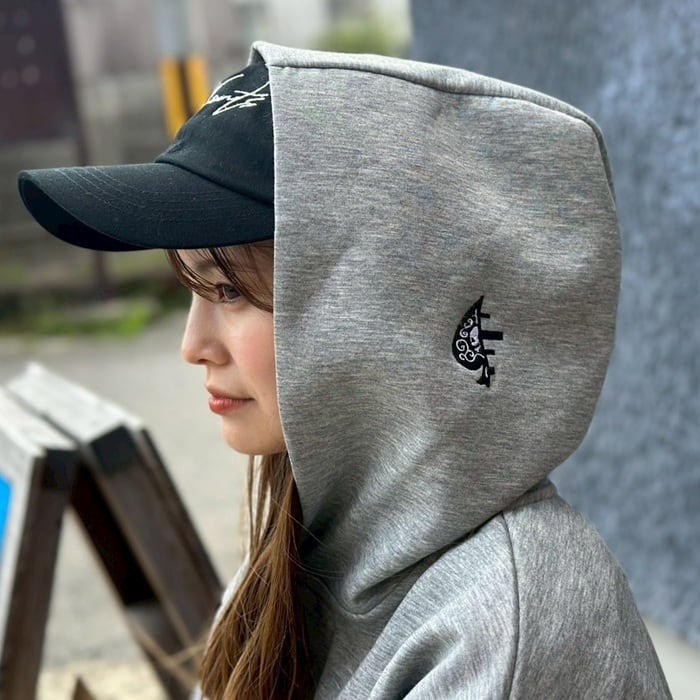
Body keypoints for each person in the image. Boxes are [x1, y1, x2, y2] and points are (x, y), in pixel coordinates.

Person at [18, 42, 671, 699]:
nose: (193, 346)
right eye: (193, 288)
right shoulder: (302, 538)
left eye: (228, 291)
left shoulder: (510, 625)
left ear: (378, 306)